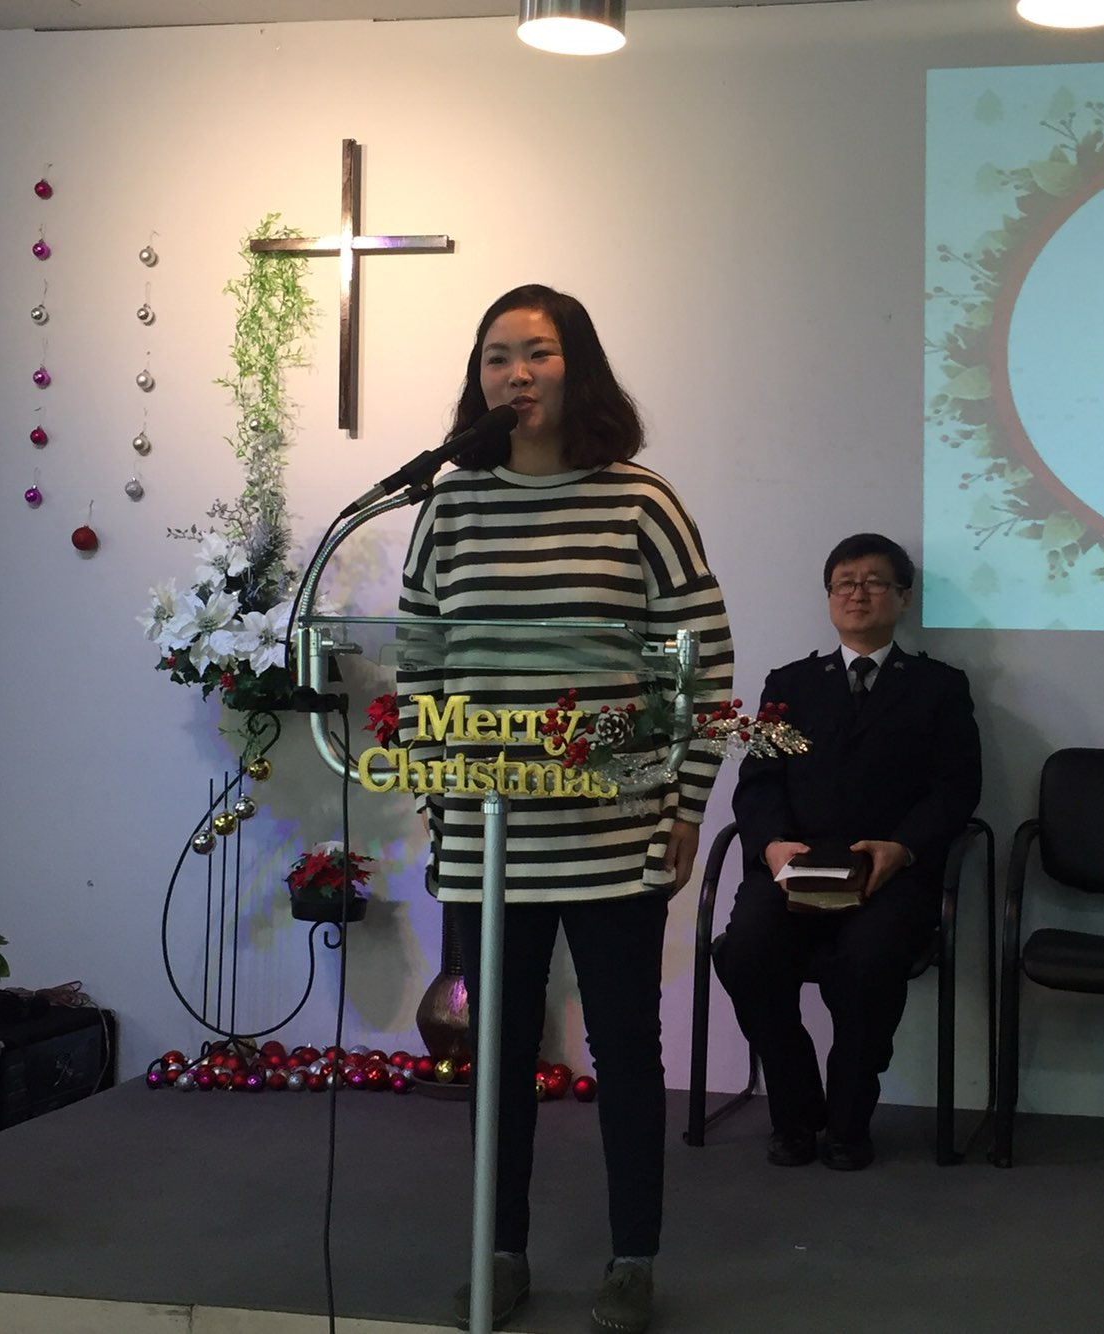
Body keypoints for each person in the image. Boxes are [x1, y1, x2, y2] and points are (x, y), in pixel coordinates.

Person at [397, 284, 734, 1334]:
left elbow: (699, 665)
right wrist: (435, 785)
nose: (516, 373)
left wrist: (684, 800)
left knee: (625, 1050)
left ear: (576, 367)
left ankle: (633, 1258)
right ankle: (499, 1250)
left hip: (612, 832)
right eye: (497, 355)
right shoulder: (449, 507)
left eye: (537, 353)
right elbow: (419, 662)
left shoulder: (639, 501)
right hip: (486, 836)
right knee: (495, 1054)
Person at [714, 533, 979, 1171]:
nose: (858, 594)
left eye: (875, 582)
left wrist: (904, 848)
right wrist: (772, 847)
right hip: (795, 871)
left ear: (904, 598)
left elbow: (956, 788)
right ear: (829, 597)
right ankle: (796, 1107)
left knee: (867, 963)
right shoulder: (791, 683)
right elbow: (758, 783)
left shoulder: (940, 687)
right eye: (844, 583)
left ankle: (849, 1120)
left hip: (891, 877)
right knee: (743, 952)